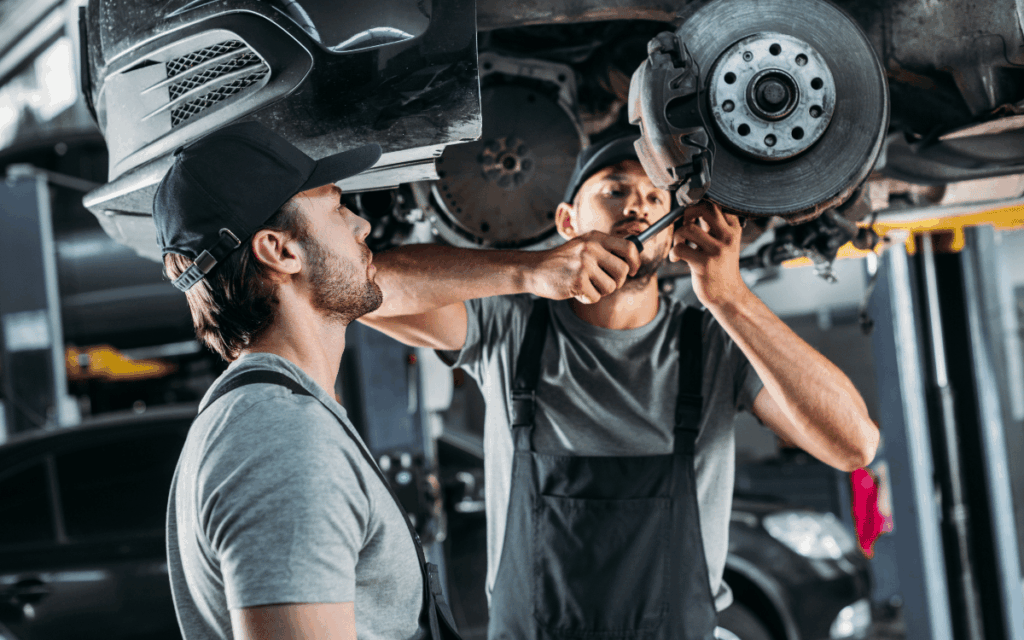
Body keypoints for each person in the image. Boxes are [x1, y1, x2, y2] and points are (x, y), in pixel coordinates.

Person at [359, 132, 879, 640]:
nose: (639, 206)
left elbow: (853, 445)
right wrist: (528, 271)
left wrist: (730, 297)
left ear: (674, 230)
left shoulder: (715, 349)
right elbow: (364, 287)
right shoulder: (511, 330)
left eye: (656, 197)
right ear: (568, 221)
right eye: (614, 190)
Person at [158, 122, 458, 640]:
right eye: (337, 207)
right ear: (280, 251)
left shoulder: (272, 415)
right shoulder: (279, 442)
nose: (362, 226)